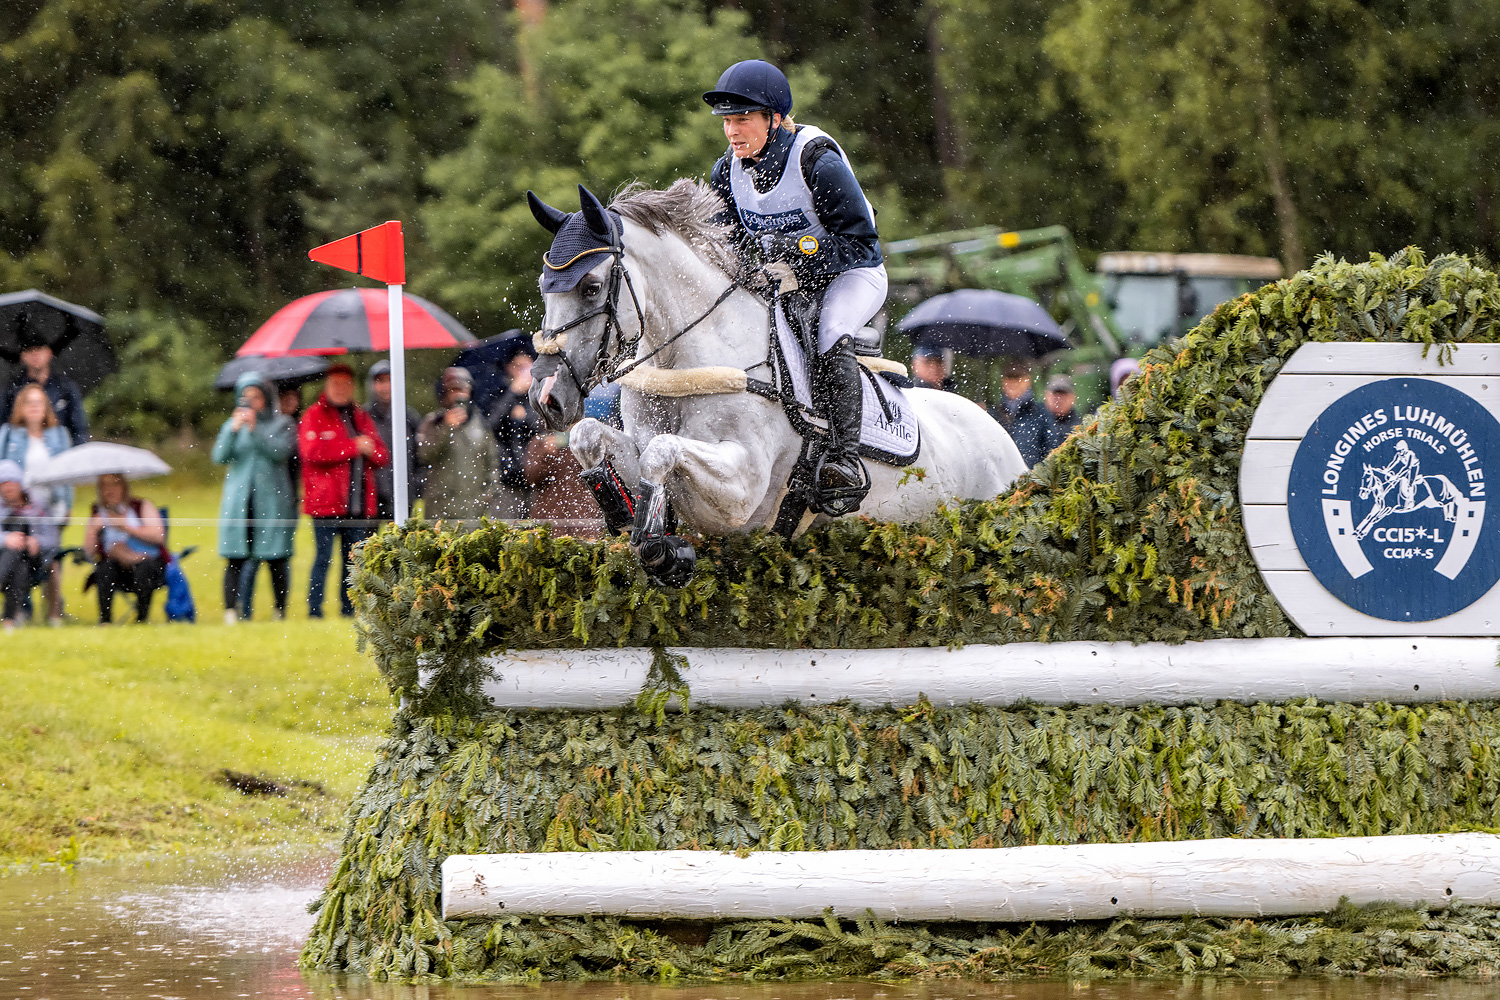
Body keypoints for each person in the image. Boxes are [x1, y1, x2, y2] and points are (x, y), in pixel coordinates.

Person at [704, 59, 884, 513]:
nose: (732, 131)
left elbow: (861, 244)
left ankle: (845, 459)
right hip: (786, 280)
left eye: (743, 118)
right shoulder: (726, 173)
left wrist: (800, 268)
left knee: (828, 330)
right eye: (726, 120)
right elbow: (733, 244)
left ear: (776, 118)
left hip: (851, 274)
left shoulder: (816, 162)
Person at [300, 363, 388, 619]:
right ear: (326, 387)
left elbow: (381, 455)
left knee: (353, 561)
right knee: (323, 558)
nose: (341, 389)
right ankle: (314, 610)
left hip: (357, 503)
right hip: (326, 504)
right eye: (336, 384)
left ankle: (348, 609)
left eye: (346, 385)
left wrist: (368, 449)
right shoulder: (314, 415)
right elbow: (312, 452)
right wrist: (352, 446)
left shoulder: (360, 416)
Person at [212, 371, 295, 624]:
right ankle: (231, 611)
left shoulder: (283, 424)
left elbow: (279, 451)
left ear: (266, 399)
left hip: (272, 502)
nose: (250, 402)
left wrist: (255, 430)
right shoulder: (231, 425)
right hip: (240, 502)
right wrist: (232, 431)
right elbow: (219, 456)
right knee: (235, 557)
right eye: (245, 397)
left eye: (256, 396)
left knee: (275, 558)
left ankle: (279, 610)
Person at [0, 383, 74, 623]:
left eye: (38, 402)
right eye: (28, 402)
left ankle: (53, 612)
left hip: (47, 506)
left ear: (46, 407)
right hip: (16, 505)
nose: (33, 408)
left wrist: (67, 503)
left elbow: (67, 473)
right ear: (20, 407)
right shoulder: (9, 434)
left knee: (50, 557)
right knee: (18, 552)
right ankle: (19, 610)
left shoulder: (59, 435)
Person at [418, 367, 499, 528]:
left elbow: (493, 462)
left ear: (470, 392)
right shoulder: (434, 422)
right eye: (452, 390)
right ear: (444, 393)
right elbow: (425, 454)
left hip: (473, 508)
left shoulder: (482, 425)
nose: (458, 395)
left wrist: (489, 493)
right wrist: (446, 428)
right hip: (440, 508)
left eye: (462, 389)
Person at [84, 473, 166, 625]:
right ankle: (105, 620)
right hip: (116, 570)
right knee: (104, 568)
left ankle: (142, 619)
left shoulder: (140, 506)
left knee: (143, 566)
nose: (110, 490)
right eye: (104, 486)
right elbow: (88, 552)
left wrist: (127, 528)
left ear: (124, 487)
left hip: (147, 565)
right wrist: (93, 531)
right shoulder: (98, 512)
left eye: (115, 484)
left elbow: (159, 536)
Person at [485, 344, 540, 518]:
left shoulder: (539, 396)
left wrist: (525, 418)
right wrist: (512, 392)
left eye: (527, 366)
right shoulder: (498, 393)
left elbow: (543, 428)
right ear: (509, 368)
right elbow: (491, 426)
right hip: (507, 478)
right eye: (518, 366)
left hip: (535, 477)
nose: (523, 372)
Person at [365, 360, 423, 521]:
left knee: (400, 544)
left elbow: (421, 456)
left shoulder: (409, 417)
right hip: (372, 499)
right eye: (380, 381)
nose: (386, 386)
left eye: (390, 380)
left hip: (404, 495)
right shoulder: (363, 417)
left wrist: (416, 485)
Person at [3, 338, 88, 445]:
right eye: (29, 350)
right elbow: (4, 422)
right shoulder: (12, 389)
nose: (35, 354)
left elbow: (79, 428)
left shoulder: (66, 387)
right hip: (21, 449)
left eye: (39, 349)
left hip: (61, 450)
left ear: (49, 353)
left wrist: (74, 455)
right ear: (23, 356)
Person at [524, 430, 604, 539]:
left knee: (586, 549)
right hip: (550, 512)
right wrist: (546, 453)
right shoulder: (541, 441)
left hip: (582, 512)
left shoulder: (583, 440)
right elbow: (532, 477)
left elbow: (597, 473)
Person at [0, 461, 47, 632]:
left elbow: (52, 538)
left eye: (10, 482)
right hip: (11, 560)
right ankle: (9, 621)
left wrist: (34, 541)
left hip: (36, 560)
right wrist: (6, 539)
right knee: (18, 566)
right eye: (2, 484)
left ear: (20, 483)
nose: (6, 487)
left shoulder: (37, 506)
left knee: (17, 551)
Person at [988, 360, 1048, 468]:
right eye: (1009, 378)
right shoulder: (994, 413)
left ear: (1028, 381)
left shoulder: (1040, 413)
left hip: (1032, 479)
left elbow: (1050, 449)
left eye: (1018, 379)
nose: (1013, 383)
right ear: (1003, 382)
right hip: (1002, 477)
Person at [1041, 375, 1083, 455]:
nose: (1059, 400)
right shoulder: (1036, 423)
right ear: (1046, 396)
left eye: (1063, 395)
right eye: (1055, 395)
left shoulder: (1081, 427)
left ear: (1073, 398)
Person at [279, 386, 305, 508]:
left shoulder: (301, 424)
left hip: (293, 480)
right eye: (286, 396)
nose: (290, 401)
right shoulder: (271, 425)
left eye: (294, 396)